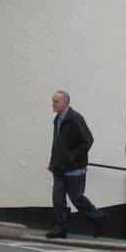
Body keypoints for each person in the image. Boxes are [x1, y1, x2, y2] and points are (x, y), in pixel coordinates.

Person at [46, 90, 108, 239]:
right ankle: (60, 228)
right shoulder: (58, 119)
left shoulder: (75, 118)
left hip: (75, 170)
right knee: (58, 199)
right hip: (59, 169)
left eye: (56, 102)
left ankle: (98, 217)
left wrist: (72, 158)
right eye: (53, 101)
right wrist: (53, 162)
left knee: (77, 198)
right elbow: (58, 144)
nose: (52, 104)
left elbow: (87, 141)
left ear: (65, 103)